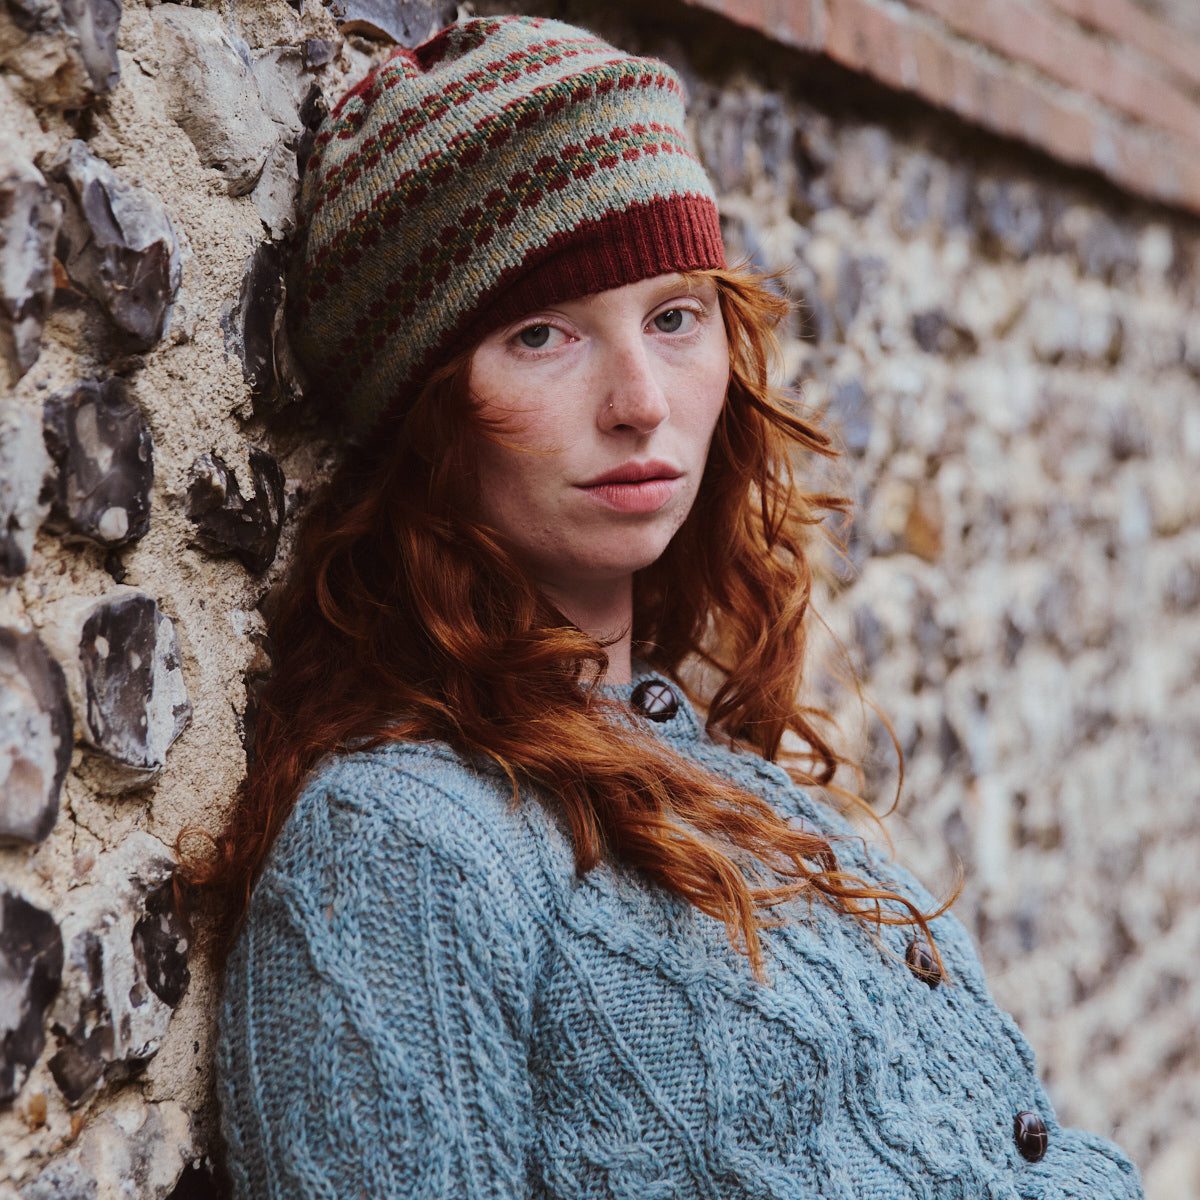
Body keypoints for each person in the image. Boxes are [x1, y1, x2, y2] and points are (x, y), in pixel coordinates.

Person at [199, 15, 1143, 1199]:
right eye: (542, 336)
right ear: (424, 416)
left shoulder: (697, 751)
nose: (641, 402)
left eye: (674, 316)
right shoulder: (398, 849)